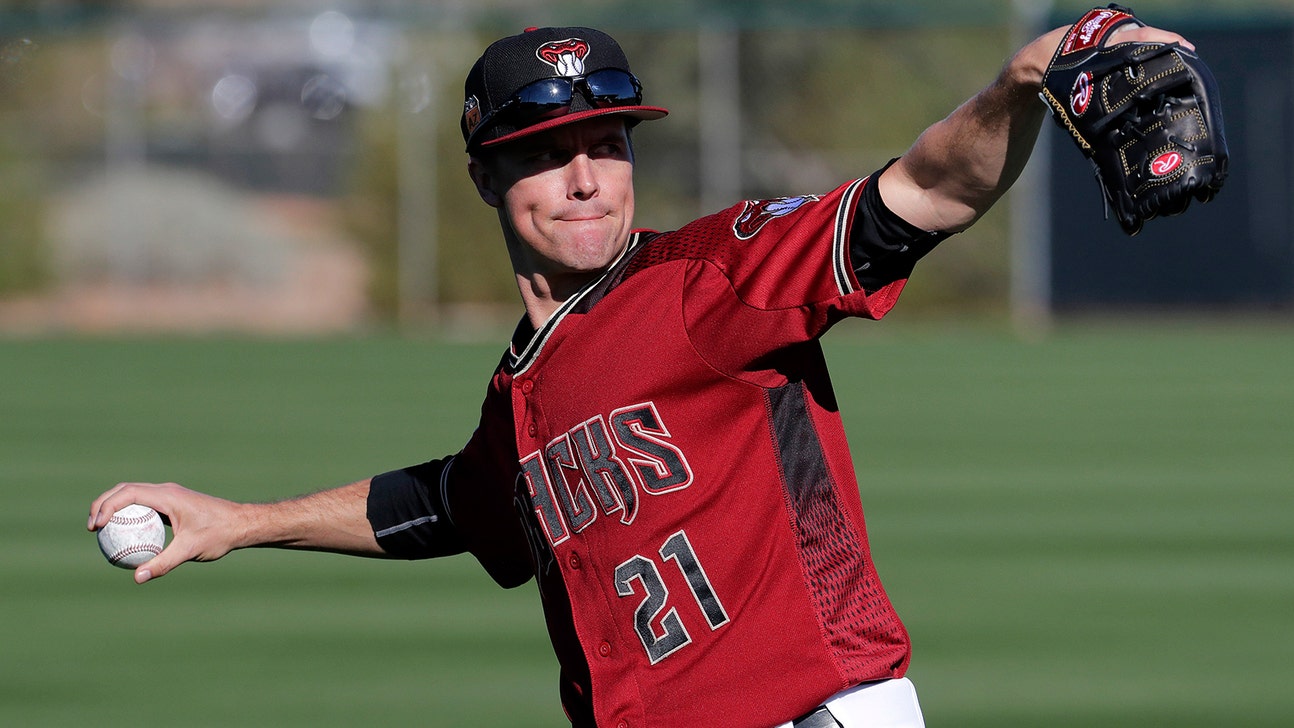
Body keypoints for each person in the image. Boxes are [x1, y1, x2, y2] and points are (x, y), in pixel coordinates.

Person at [89, 17, 1194, 728]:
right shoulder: (524, 384)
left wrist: (1013, 84)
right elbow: (452, 503)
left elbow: (920, 197)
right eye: (542, 150)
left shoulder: (712, 278)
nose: (583, 178)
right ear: (484, 177)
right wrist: (236, 518)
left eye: (606, 145)